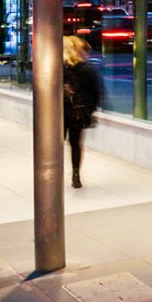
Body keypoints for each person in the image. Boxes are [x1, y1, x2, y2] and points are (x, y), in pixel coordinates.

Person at [62, 33, 103, 189]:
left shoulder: (56, 68)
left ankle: (54, 171)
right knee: (75, 144)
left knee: (55, 143)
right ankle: (76, 174)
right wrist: (89, 110)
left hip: (58, 112)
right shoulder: (86, 69)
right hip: (77, 112)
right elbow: (96, 92)